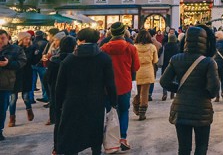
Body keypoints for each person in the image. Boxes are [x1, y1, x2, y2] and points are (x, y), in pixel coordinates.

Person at [54, 28, 117, 155]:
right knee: (95, 128)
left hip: (72, 100)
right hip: (95, 100)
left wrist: (58, 104)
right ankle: (96, 151)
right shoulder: (104, 59)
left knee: (73, 131)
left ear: (81, 40)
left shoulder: (69, 60)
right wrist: (113, 102)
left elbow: (60, 86)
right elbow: (110, 83)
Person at [160, 25, 220, 155]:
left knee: (184, 149)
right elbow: (214, 89)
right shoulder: (209, 62)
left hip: (181, 109)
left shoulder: (176, 59)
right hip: (202, 109)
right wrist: (204, 93)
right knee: (201, 147)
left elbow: (164, 81)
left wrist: (180, 89)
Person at [101, 22, 140, 151]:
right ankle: (122, 138)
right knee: (123, 112)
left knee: (111, 113)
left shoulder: (104, 48)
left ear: (111, 33)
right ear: (123, 32)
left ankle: (111, 141)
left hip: (107, 87)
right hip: (124, 84)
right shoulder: (130, 48)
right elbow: (136, 67)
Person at [47, 35, 76, 152]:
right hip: (72, 94)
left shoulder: (53, 60)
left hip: (56, 93)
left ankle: (57, 148)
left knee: (59, 123)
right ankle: (72, 148)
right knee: (72, 122)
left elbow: (48, 79)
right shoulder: (75, 60)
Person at [0, 29, 26, 141]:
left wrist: (8, 63)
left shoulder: (16, 49)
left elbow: (22, 62)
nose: (0, 41)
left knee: (1, 109)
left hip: (5, 84)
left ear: (8, 38)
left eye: (2, 38)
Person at [9, 31, 36, 126]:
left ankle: (29, 110)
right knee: (13, 99)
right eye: (26, 39)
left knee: (26, 97)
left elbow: (33, 62)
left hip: (26, 75)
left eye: (29, 39)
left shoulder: (32, 48)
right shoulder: (14, 49)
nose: (28, 41)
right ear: (21, 39)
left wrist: (37, 55)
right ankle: (12, 118)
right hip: (15, 76)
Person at [133, 30, 158, 120]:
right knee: (145, 92)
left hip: (137, 70)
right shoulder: (152, 47)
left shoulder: (134, 47)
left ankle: (136, 106)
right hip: (148, 70)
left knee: (137, 91)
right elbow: (155, 60)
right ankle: (142, 111)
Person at [43, 31, 67, 125]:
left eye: (57, 40)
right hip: (52, 76)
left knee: (56, 99)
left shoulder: (60, 54)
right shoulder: (52, 46)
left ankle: (56, 118)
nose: (55, 42)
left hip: (56, 77)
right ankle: (53, 118)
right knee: (53, 99)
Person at [161, 34, 181, 101]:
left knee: (165, 78)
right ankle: (172, 94)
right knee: (174, 79)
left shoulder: (165, 46)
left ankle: (164, 93)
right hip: (175, 65)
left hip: (166, 64)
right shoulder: (177, 46)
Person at [32, 30, 49, 103]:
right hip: (42, 64)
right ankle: (45, 96)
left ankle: (30, 98)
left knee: (32, 82)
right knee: (44, 81)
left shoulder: (32, 43)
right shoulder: (46, 43)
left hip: (33, 64)